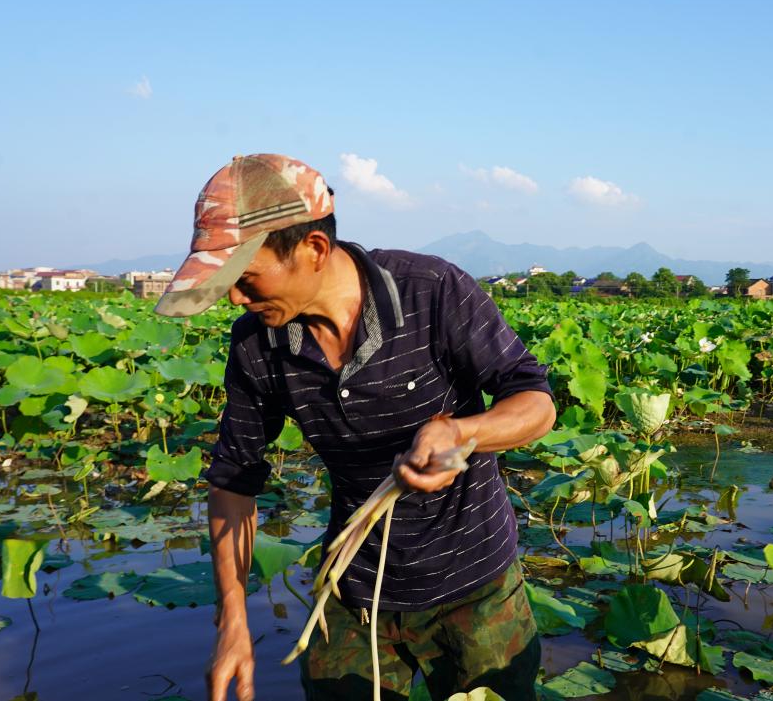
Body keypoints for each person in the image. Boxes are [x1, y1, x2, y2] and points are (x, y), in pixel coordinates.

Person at [154, 154, 556, 701]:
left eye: (245, 278)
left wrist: (464, 434)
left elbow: (535, 400)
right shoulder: (257, 345)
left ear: (313, 249)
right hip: (353, 591)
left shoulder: (430, 291)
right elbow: (233, 482)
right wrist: (233, 623)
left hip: (475, 587)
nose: (234, 297)